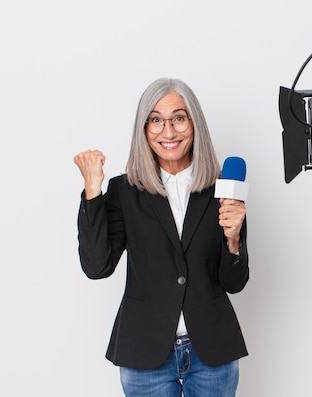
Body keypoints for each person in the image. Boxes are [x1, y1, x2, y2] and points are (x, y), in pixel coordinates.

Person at [73, 77, 249, 397]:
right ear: (144, 129)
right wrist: (93, 191)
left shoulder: (223, 187)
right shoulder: (124, 191)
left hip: (212, 349)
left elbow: (234, 283)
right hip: (145, 350)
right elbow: (97, 266)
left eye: (179, 118)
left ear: (194, 124)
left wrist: (234, 239)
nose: (169, 132)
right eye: (156, 120)